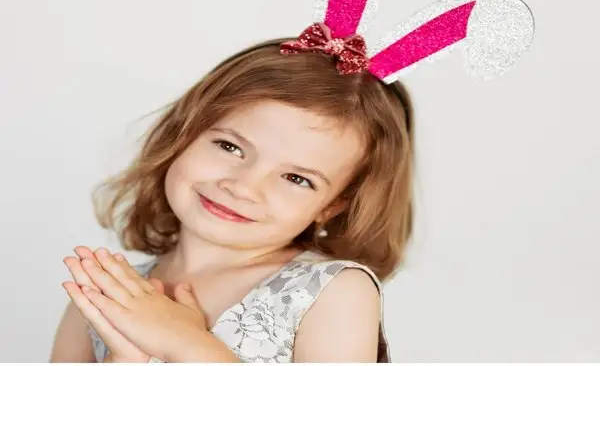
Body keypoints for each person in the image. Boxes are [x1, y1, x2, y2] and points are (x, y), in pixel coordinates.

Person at [50, 24, 415, 363]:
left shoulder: (332, 292)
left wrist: (187, 345)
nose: (242, 186)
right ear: (184, 133)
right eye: (230, 147)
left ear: (332, 206)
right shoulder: (104, 293)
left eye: (295, 178)